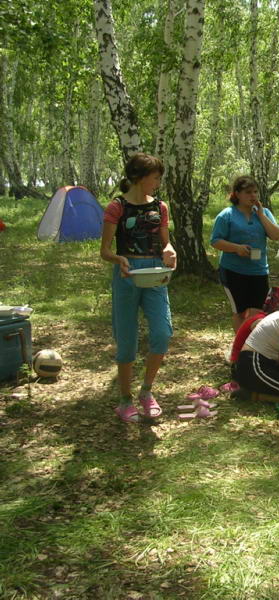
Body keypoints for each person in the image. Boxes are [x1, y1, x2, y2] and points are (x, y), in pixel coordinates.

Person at [100, 153, 176, 423]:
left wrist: (169, 251)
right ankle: (125, 399)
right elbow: (105, 250)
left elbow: (165, 242)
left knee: (162, 332)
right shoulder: (117, 207)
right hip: (127, 274)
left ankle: (146, 391)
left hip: (155, 274)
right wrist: (119, 259)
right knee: (127, 338)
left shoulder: (160, 206)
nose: (157, 183)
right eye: (155, 178)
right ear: (140, 177)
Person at [210, 175, 279, 332]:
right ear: (237, 194)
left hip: (259, 270)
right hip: (233, 271)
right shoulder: (227, 215)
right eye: (248, 192)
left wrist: (261, 215)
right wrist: (236, 248)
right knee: (240, 311)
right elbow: (215, 241)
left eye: (256, 192)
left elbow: (276, 235)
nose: (253, 196)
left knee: (257, 312)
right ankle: (240, 349)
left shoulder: (264, 213)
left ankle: (251, 347)